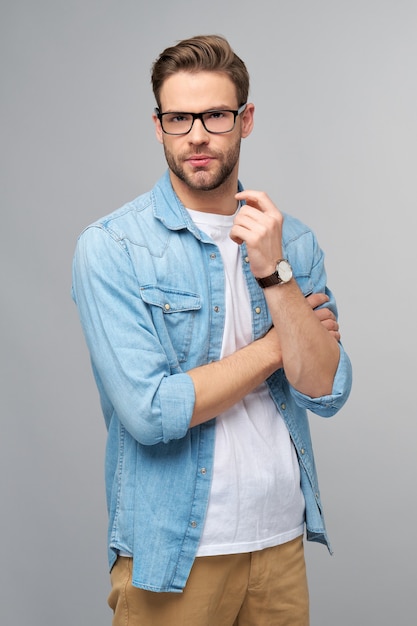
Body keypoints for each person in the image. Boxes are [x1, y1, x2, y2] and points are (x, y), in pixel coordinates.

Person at [72, 34, 352, 626]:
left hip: (279, 541)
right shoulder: (113, 247)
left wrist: (276, 276)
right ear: (158, 127)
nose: (196, 134)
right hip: (176, 551)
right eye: (179, 118)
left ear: (245, 120)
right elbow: (151, 413)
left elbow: (325, 389)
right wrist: (280, 343)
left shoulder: (291, 242)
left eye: (215, 115)